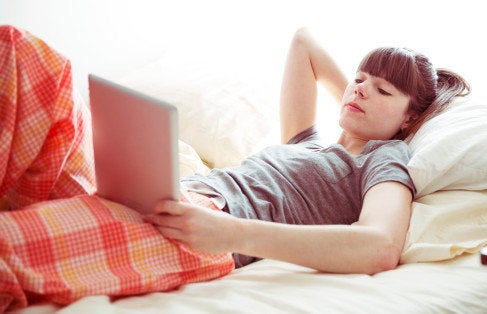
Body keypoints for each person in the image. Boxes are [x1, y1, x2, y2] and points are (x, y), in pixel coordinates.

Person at [146, 28, 470, 274]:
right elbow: (303, 42)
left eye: (383, 90)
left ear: (410, 116)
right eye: (359, 79)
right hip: (182, 195)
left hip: (212, 222)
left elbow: (381, 247)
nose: (359, 88)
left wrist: (234, 234)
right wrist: (366, 99)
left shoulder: (382, 158)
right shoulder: (306, 144)